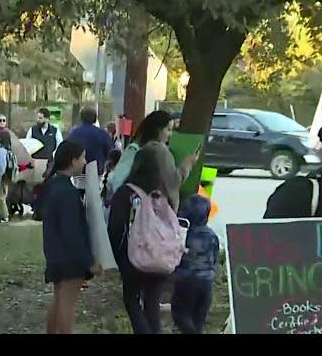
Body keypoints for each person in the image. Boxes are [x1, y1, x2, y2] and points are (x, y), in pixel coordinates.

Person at [109, 145, 172, 334]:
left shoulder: (125, 193)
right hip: (159, 256)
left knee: (132, 301)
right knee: (152, 303)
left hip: (133, 257)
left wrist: (117, 258)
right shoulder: (160, 194)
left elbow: (115, 228)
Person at [42, 140, 98, 334]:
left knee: (58, 302)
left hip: (55, 254)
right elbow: (72, 232)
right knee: (67, 305)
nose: (84, 161)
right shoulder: (68, 193)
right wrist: (88, 261)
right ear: (73, 160)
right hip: (70, 259)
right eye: (82, 157)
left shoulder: (54, 186)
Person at [111, 110, 197, 212]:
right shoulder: (136, 150)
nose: (171, 134)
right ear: (157, 129)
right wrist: (186, 165)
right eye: (168, 129)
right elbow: (118, 182)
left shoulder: (162, 151)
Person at [171, 194, 219, 334]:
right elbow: (214, 258)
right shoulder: (212, 235)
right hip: (207, 281)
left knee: (180, 314)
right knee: (198, 319)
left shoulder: (184, 235)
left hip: (186, 281)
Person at [67, 107, 114, 177]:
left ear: (81, 118)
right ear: (95, 119)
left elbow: (67, 151)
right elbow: (110, 152)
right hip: (96, 172)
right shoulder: (102, 134)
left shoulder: (73, 133)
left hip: (76, 171)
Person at [0, 130, 16, 224]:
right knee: (2, 196)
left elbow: (1, 165)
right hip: (7, 176)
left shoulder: (1, 150)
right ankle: (3, 215)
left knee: (0, 197)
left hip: (1, 176)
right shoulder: (8, 150)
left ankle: (4, 216)